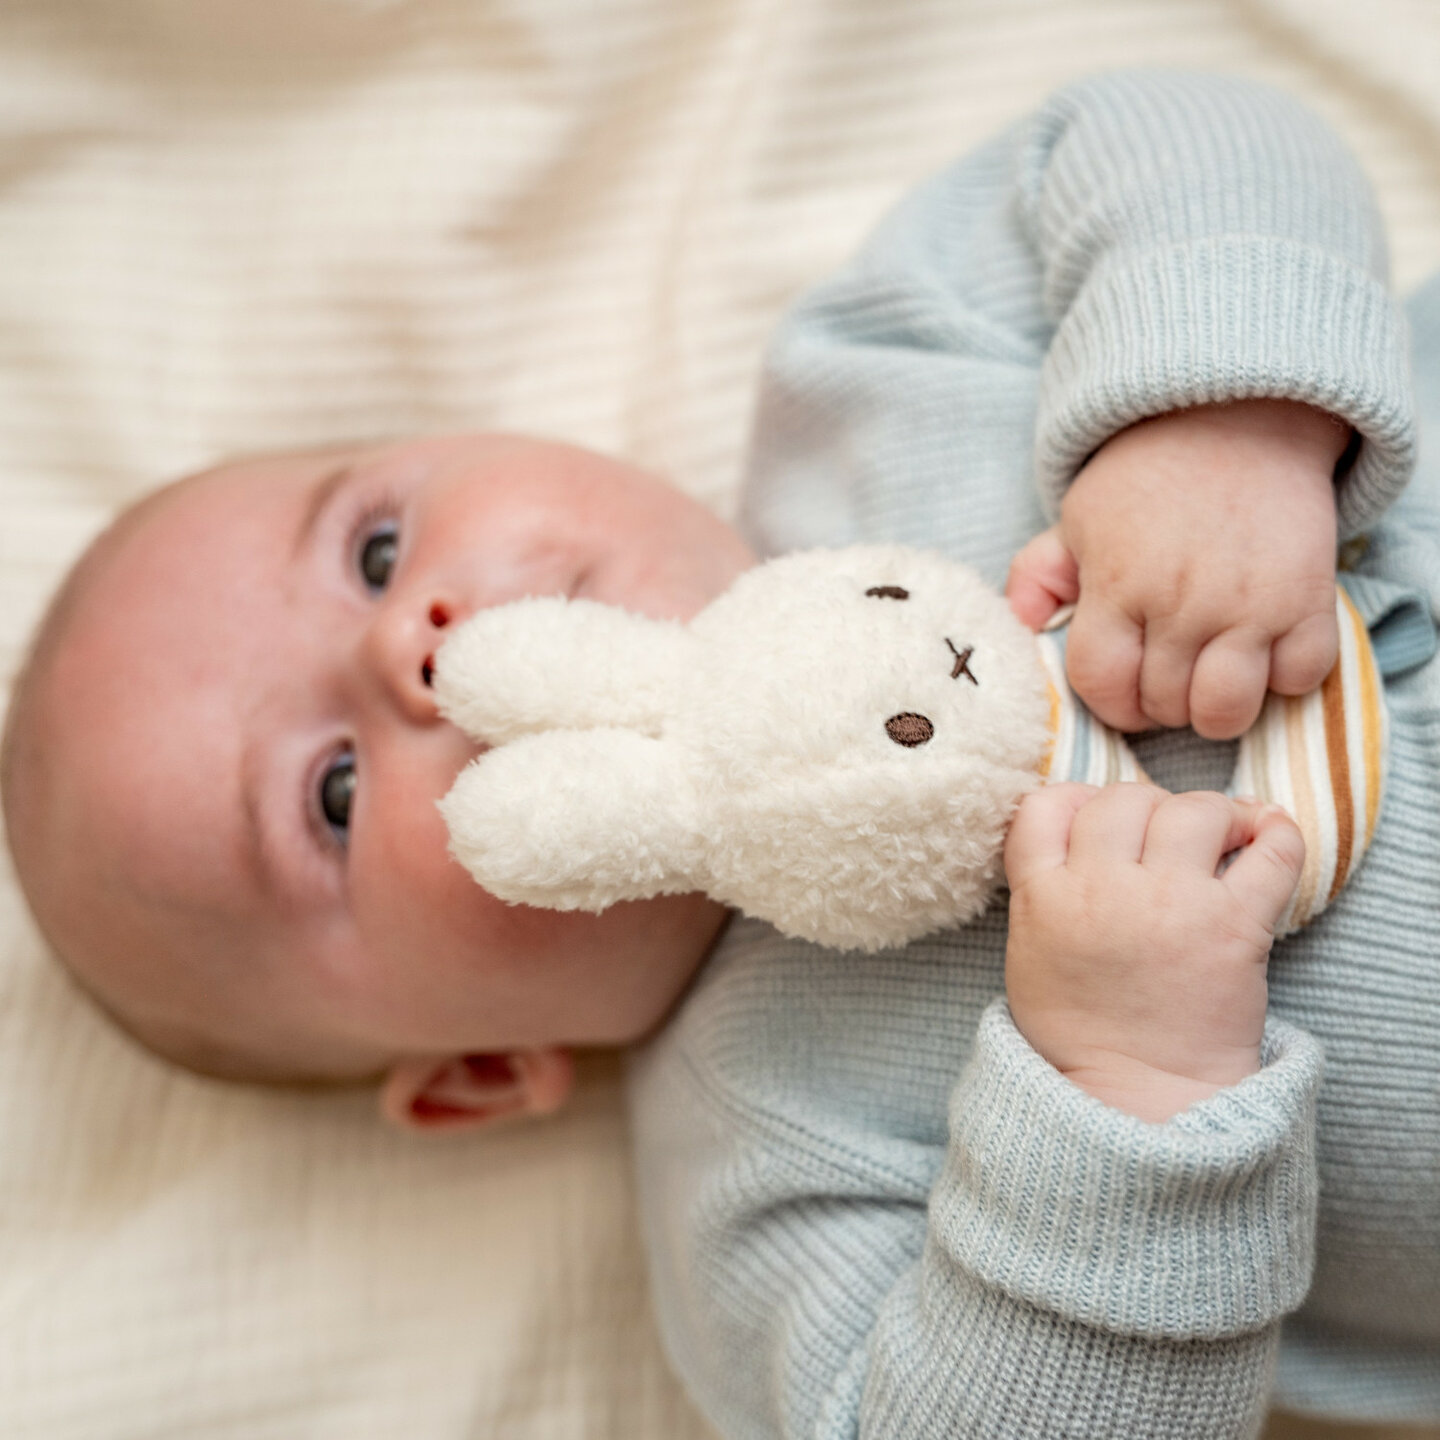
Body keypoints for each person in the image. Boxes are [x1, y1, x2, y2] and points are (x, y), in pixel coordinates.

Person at [0, 69, 1434, 1433]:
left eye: (378, 550)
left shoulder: (871, 386)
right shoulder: (762, 1170)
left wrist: (1208, 420)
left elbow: (1158, 133)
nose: (415, 650)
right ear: (483, 1073)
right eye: (332, 793)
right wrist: (1121, 1090)